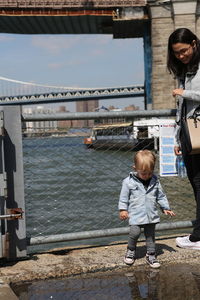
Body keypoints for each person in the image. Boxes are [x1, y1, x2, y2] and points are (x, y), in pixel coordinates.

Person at [167, 28, 200, 249]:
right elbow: (181, 113)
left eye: (184, 50)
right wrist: (180, 140)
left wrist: (183, 92)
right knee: (196, 184)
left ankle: (198, 237)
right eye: (177, 53)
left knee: (199, 184)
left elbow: (189, 99)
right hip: (190, 135)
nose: (181, 56)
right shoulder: (185, 70)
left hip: (198, 132)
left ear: (194, 44)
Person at [118, 150, 175, 268]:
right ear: (135, 168)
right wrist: (123, 210)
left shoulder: (155, 181)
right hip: (135, 214)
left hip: (151, 214)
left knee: (150, 235)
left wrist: (165, 208)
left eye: (149, 173)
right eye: (143, 173)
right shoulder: (128, 182)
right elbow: (123, 197)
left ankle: (151, 254)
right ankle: (130, 250)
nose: (147, 176)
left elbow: (161, 196)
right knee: (135, 233)